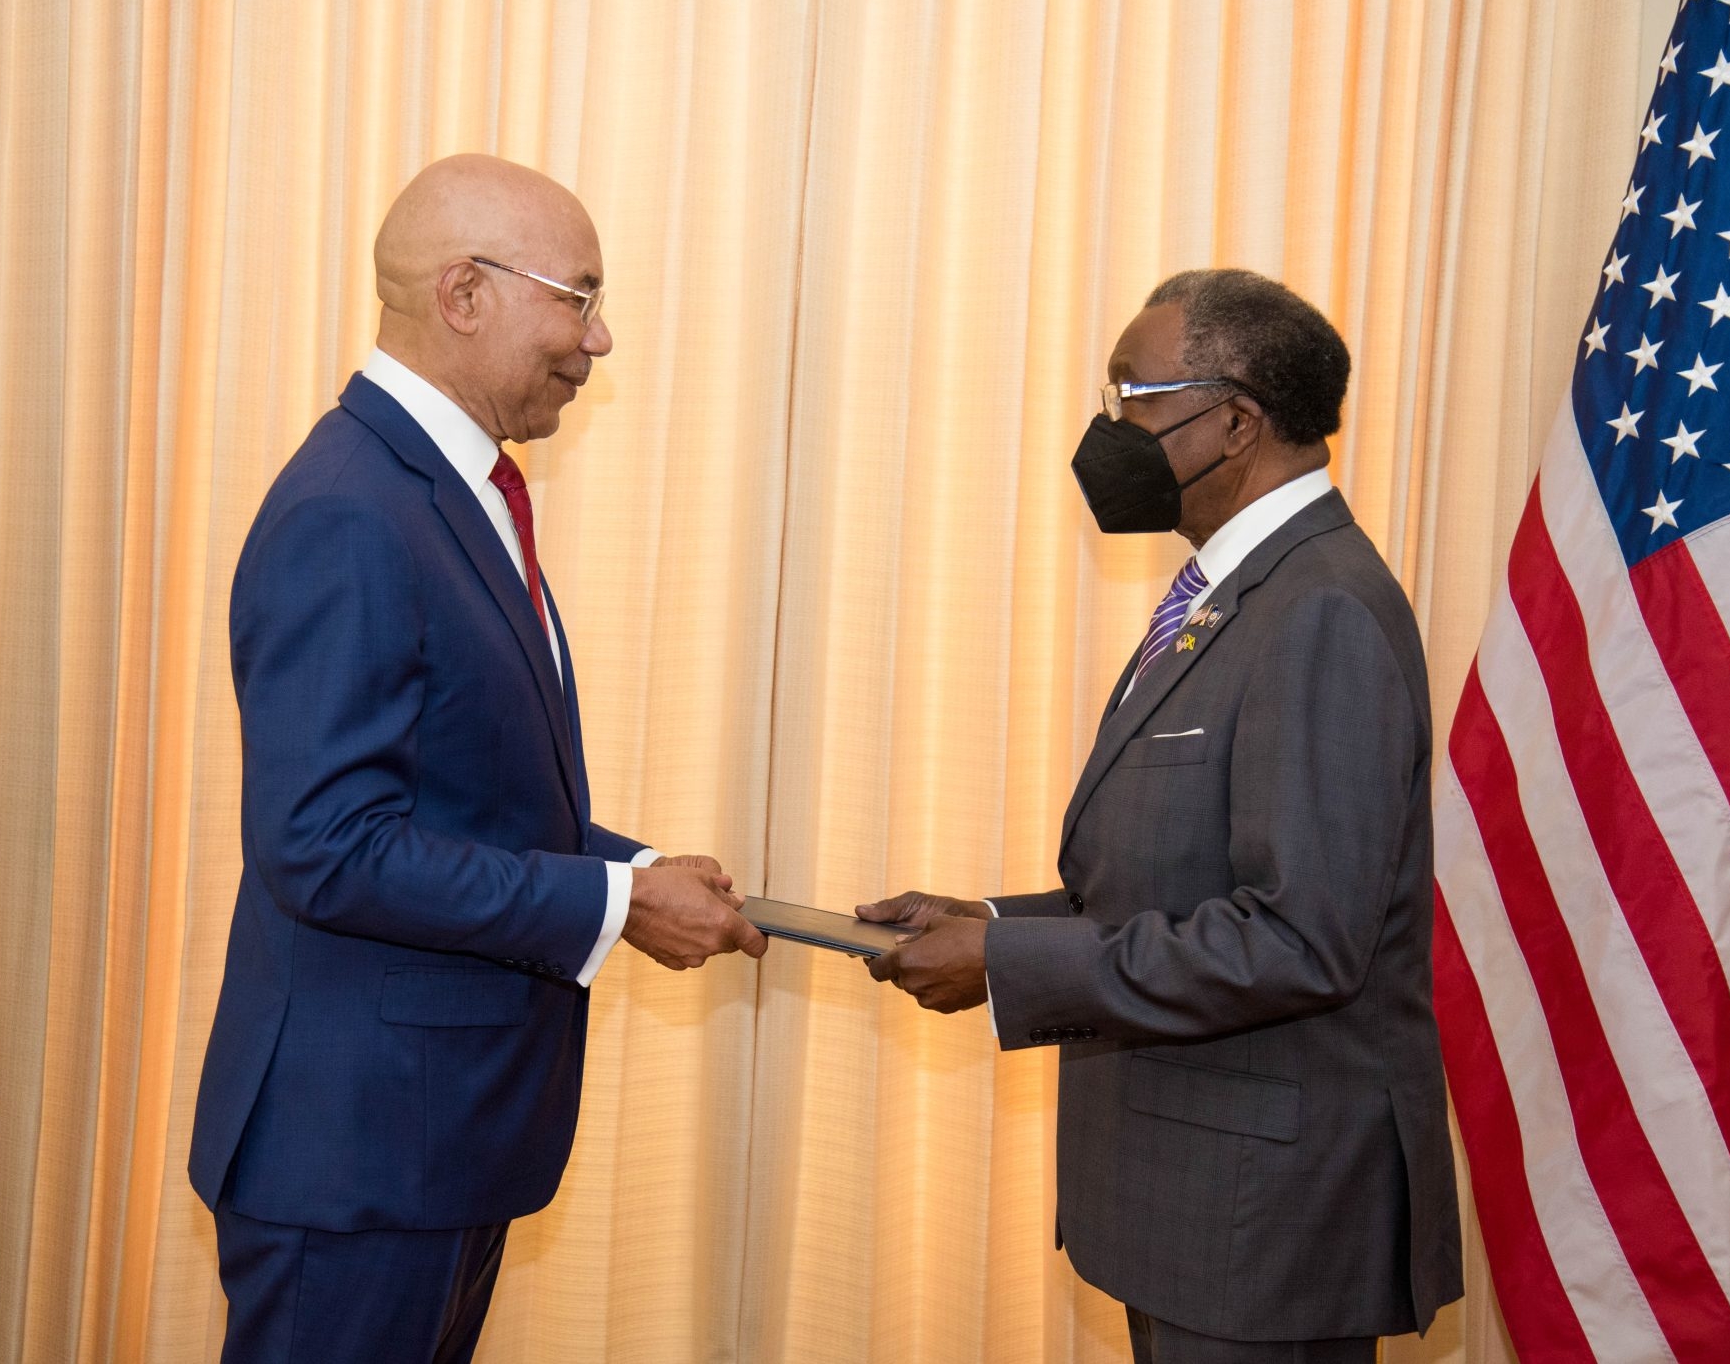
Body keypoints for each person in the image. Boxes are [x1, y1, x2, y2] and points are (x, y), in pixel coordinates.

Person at [189, 154, 767, 1364]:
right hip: (356, 1154)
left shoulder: (453, 493)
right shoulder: (354, 506)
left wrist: (638, 866)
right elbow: (326, 846)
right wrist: (610, 902)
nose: (598, 338)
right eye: (580, 296)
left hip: (429, 1141)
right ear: (464, 293)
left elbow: (460, 795)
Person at [859, 269, 1462, 1364]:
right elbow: (1172, 882)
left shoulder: (1318, 605)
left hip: (1260, 1224)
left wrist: (1006, 963)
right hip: (1194, 1200)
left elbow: (1297, 938)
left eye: (1131, 397)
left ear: (1233, 420)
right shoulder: (1232, 591)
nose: (1107, 429)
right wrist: (989, 916)